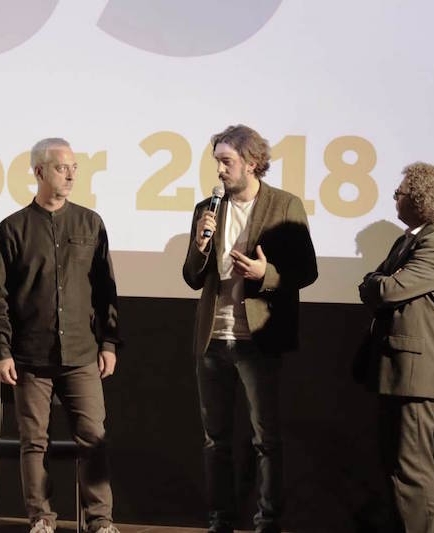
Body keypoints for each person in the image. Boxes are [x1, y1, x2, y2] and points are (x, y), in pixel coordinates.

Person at [182, 125, 318, 533]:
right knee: (215, 440)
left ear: (252, 163)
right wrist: (201, 246)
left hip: (257, 340)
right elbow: (192, 277)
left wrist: (266, 273)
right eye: (217, 162)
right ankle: (220, 520)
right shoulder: (207, 208)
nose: (219, 170)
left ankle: (268, 522)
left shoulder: (284, 205)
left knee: (266, 439)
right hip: (213, 338)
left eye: (227, 161)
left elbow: (307, 270)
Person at [0, 138, 121, 533]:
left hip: (81, 353)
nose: (71, 175)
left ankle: (101, 522)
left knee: (93, 437)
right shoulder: (12, 228)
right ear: (39, 171)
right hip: (31, 355)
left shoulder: (90, 223)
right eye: (63, 168)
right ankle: (41, 519)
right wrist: (1, 350)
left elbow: (106, 291)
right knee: (34, 441)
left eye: (74, 167)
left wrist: (109, 342)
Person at [358, 162, 434, 533]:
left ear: (419, 199)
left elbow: (386, 289)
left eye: (399, 193)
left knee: (412, 468)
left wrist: (379, 282)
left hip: (417, 370)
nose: (394, 198)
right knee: (395, 465)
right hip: (398, 367)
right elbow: (370, 283)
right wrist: (378, 282)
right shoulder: (408, 240)